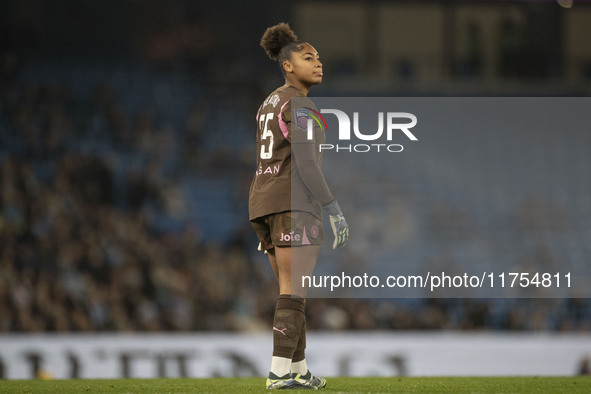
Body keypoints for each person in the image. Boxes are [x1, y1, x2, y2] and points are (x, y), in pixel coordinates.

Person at [248, 23, 349, 390]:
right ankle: (278, 372)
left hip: (264, 201)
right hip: (294, 203)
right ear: (288, 65)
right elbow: (306, 164)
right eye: (308, 58)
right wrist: (333, 208)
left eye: (319, 57)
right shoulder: (301, 104)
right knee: (293, 292)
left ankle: (300, 370)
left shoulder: (269, 102)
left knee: (293, 293)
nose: (318, 63)